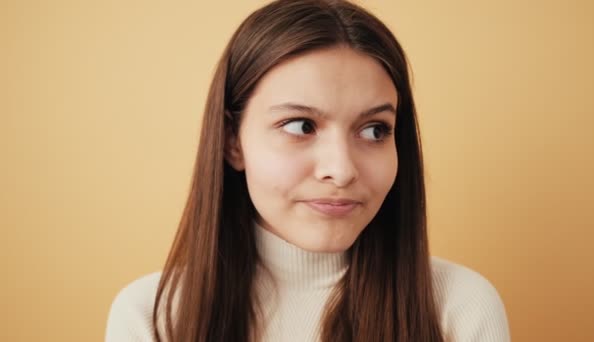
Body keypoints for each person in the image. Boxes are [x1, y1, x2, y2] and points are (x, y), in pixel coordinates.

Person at [105, 0, 510, 341]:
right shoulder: (152, 317)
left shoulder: (461, 308)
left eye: (374, 130)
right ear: (232, 142)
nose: (341, 169)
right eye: (301, 126)